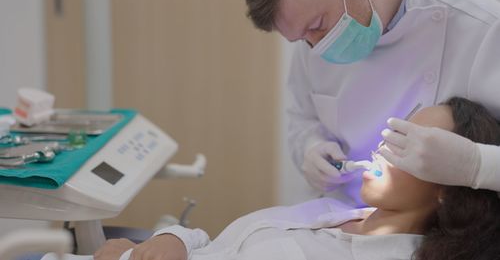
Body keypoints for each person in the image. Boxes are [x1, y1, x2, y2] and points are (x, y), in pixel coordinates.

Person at [85, 97, 500, 260]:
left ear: (449, 185)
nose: (383, 146)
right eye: (394, 132)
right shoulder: (334, 213)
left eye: (408, 145)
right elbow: (223, 246)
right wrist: (175, 239)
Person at [245, 0, 500, 204]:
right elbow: (302, 118)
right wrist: (311, 147)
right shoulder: (313, 40)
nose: (317, 47)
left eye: (318, 25)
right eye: (302, 38)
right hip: (341, 218)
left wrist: (476, 164)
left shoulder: (483, 28)